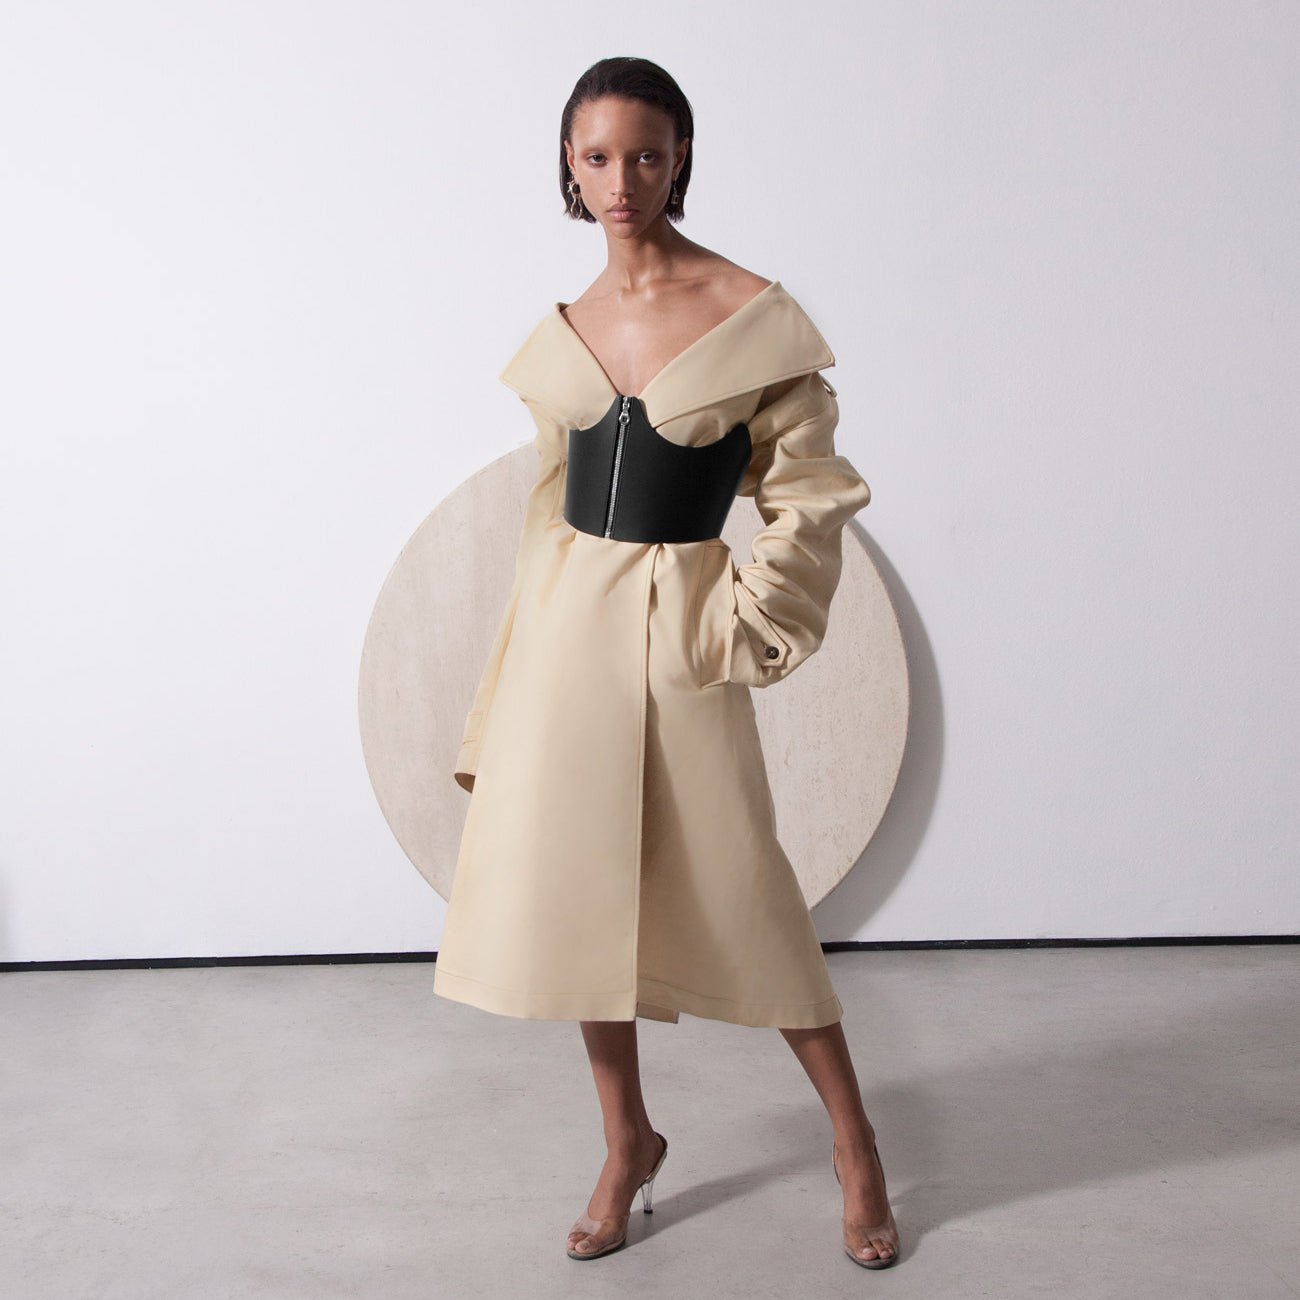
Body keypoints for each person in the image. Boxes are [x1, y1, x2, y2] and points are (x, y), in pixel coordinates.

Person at [432, 55, 900, 1269]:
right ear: (569, 165)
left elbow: (811, 490)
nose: (621, 180)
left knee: (745, 883)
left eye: (645, 153)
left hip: (682, 632)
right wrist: (516, 660)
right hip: (565, 637)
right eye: (596, 157)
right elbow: (550, 501)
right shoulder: (570, 329)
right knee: (579, 890)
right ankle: (625, 1139)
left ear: (680, 155)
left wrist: (746, 615)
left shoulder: (747, 314)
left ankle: (855, 1145)